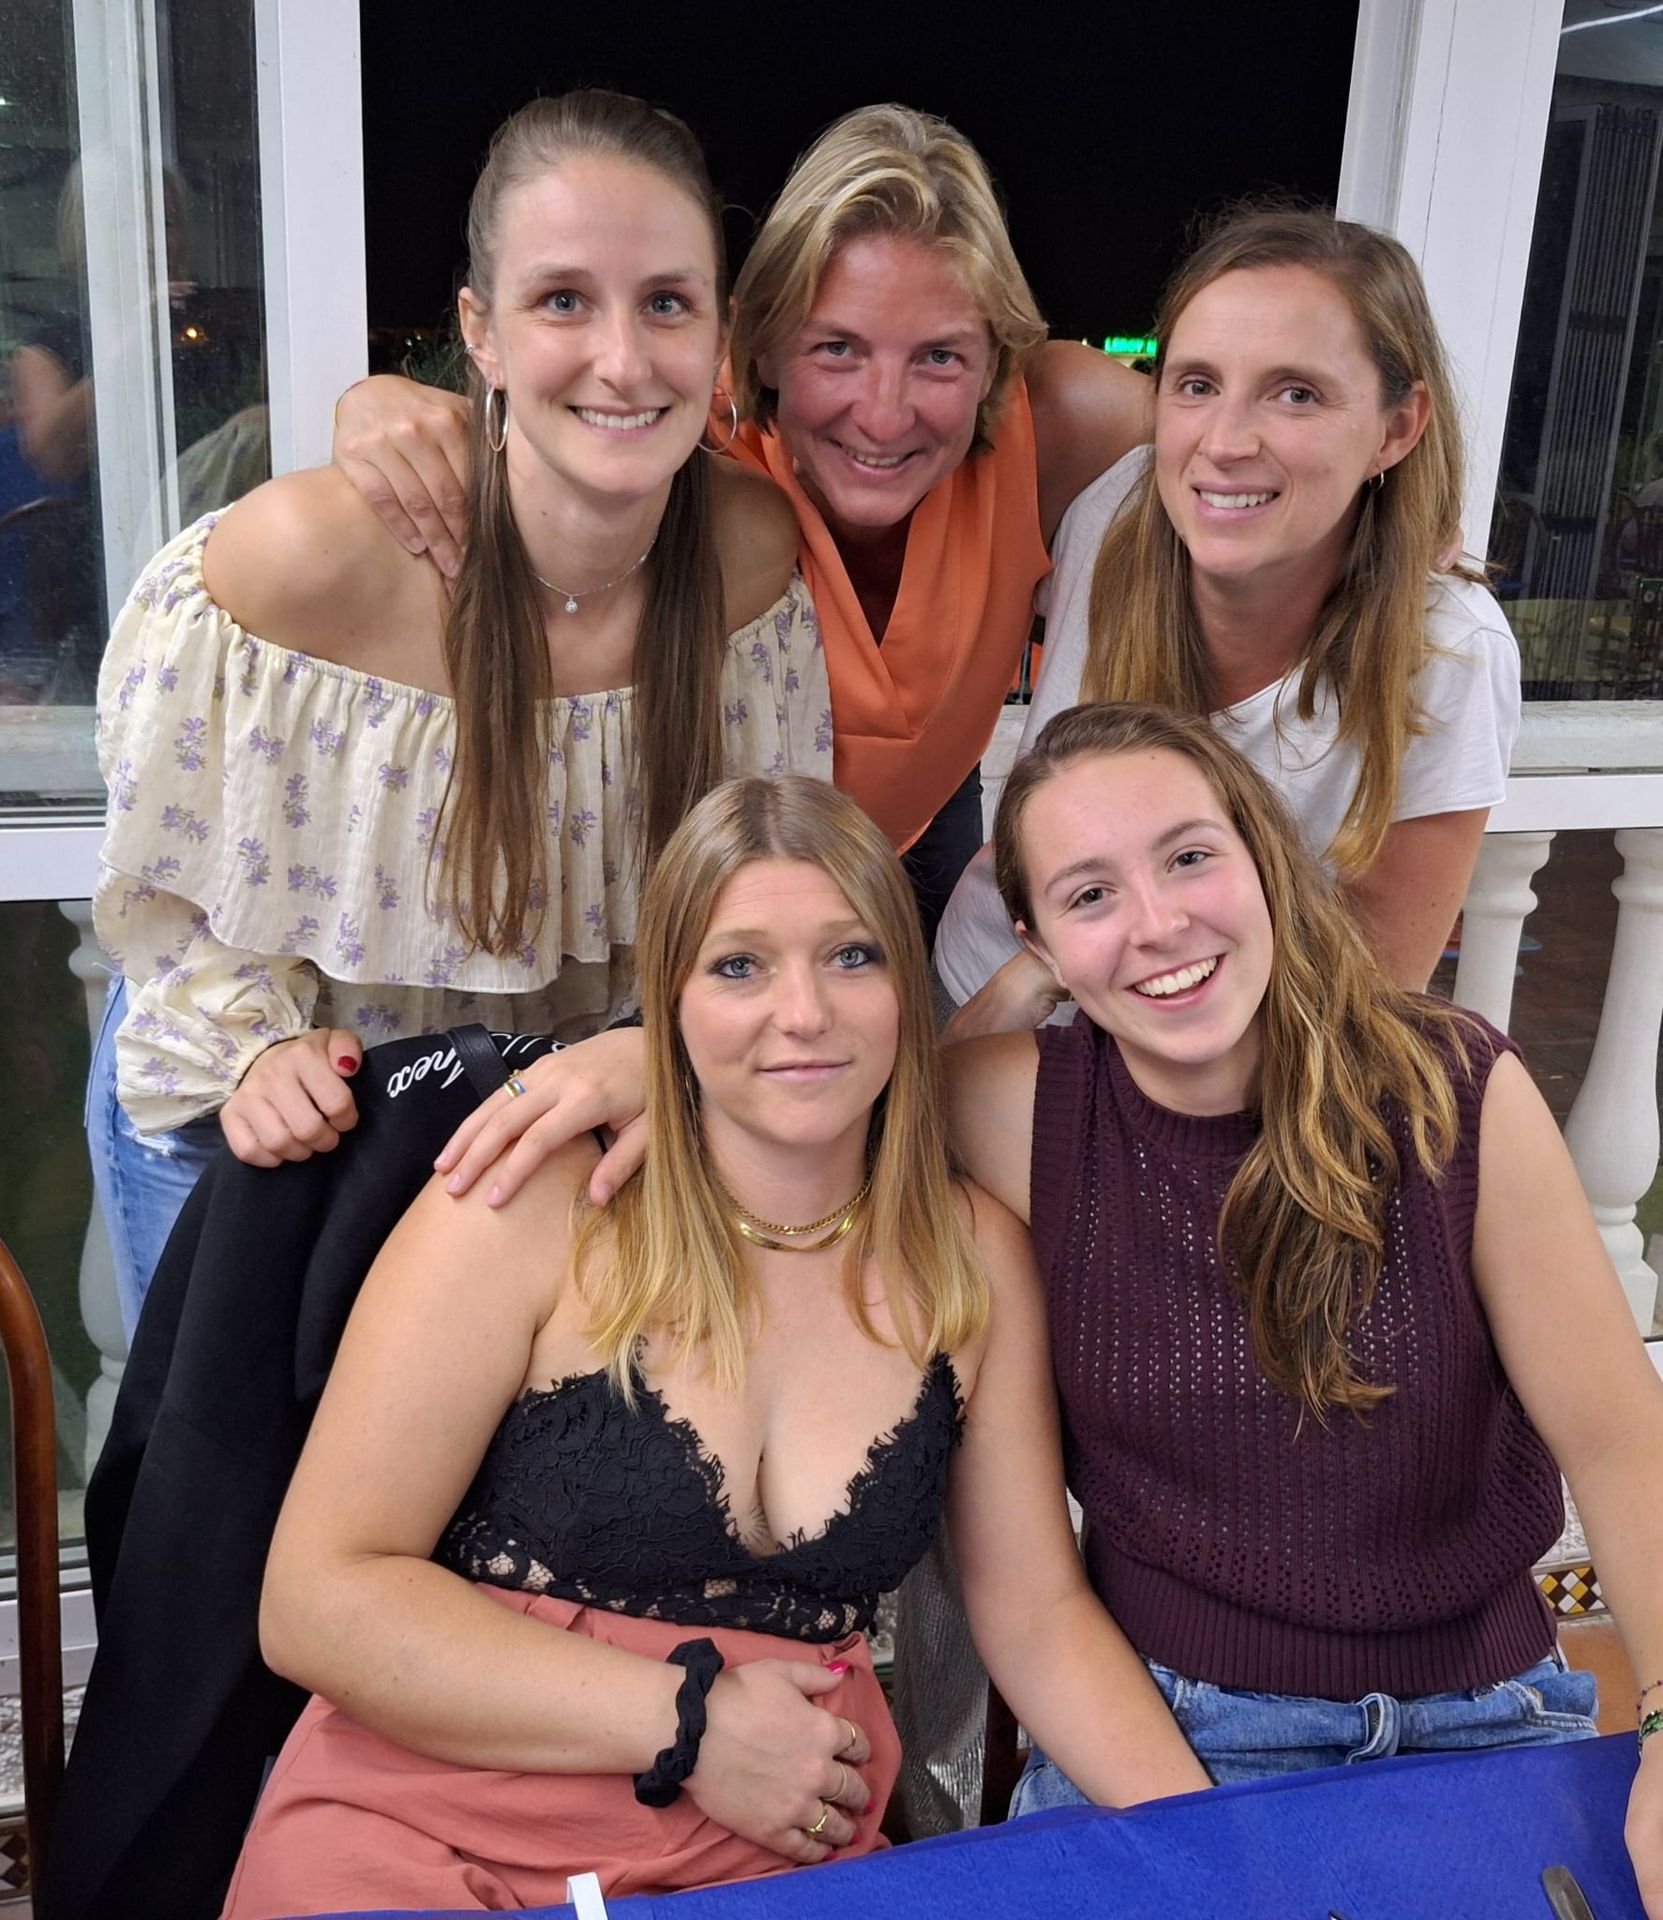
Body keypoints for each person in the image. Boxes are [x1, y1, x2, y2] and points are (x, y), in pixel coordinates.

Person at [219, 775, 1207, 1918]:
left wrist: (1224, 1853)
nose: (804, 1013)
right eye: (740, 966)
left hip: (769, 1849)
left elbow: (1035, 1616)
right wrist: (687, 1721)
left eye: (851, 957)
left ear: (904, 984)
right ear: (668, 1004)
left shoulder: (969, 1258)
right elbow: (318, 1600)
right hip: (428, 1828)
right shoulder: (532, 1208)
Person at [88, 90, 832, 1337]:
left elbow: (763, 880)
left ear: (720, 333)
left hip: (533, 1128)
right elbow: (167, 871)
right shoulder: (302, 558)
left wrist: (669, 1054)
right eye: (562, 301)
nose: (621, 359)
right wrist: (253, 1054)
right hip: (257, 1113)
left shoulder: (749, 560)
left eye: (665, 302)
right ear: (479, 331)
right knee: (221, 1461)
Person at [943, 701, 1663, 1912]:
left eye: (1189, 857)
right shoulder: (1016, 1109)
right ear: (1035, 942)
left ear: (1263, 859)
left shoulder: (1448, 1093)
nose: (1158, 921)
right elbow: (795, 1094)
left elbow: (1621, 1438)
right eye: (1089, 894)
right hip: (1168, 1728)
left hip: (1485, 1716)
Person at [333, 102, 1154, 940]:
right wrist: (378, 404)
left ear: (994, 363)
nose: (882, 416)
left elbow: (1218, 425)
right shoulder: (686, 434)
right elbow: (558, 429)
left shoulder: (1056, 424)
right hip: (725, 866)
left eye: (940, 355)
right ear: (757, 345)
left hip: (932, 812)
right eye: (835, 348)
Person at [935, 204, 1520, 1029]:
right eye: (1198, 384)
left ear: (1396, 428)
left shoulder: (1444, 650)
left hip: (1221, 1066)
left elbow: (1373, 997)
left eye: (1295, 394)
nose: (1225, 441)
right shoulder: (1108, 507)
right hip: (980, 995)